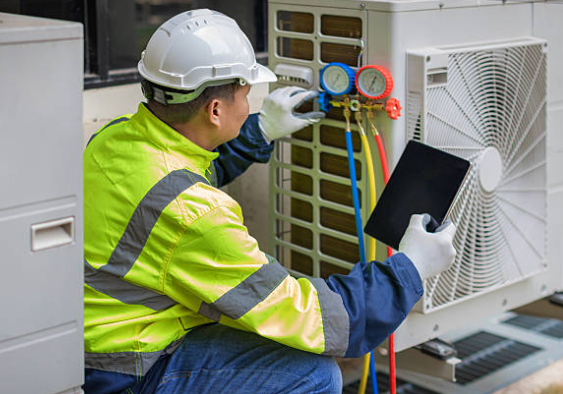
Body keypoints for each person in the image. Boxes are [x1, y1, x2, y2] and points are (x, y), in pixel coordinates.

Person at [83, 9, 457, 394]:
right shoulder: (195, 214)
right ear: (215, 110)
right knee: (315, 374)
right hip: (127, 370)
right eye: (246, 95)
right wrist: (409, 269)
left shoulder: (114, 140)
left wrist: (258, 130)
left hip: (97, 343)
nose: (250, 103)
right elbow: (315, 319)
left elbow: (173, 179)